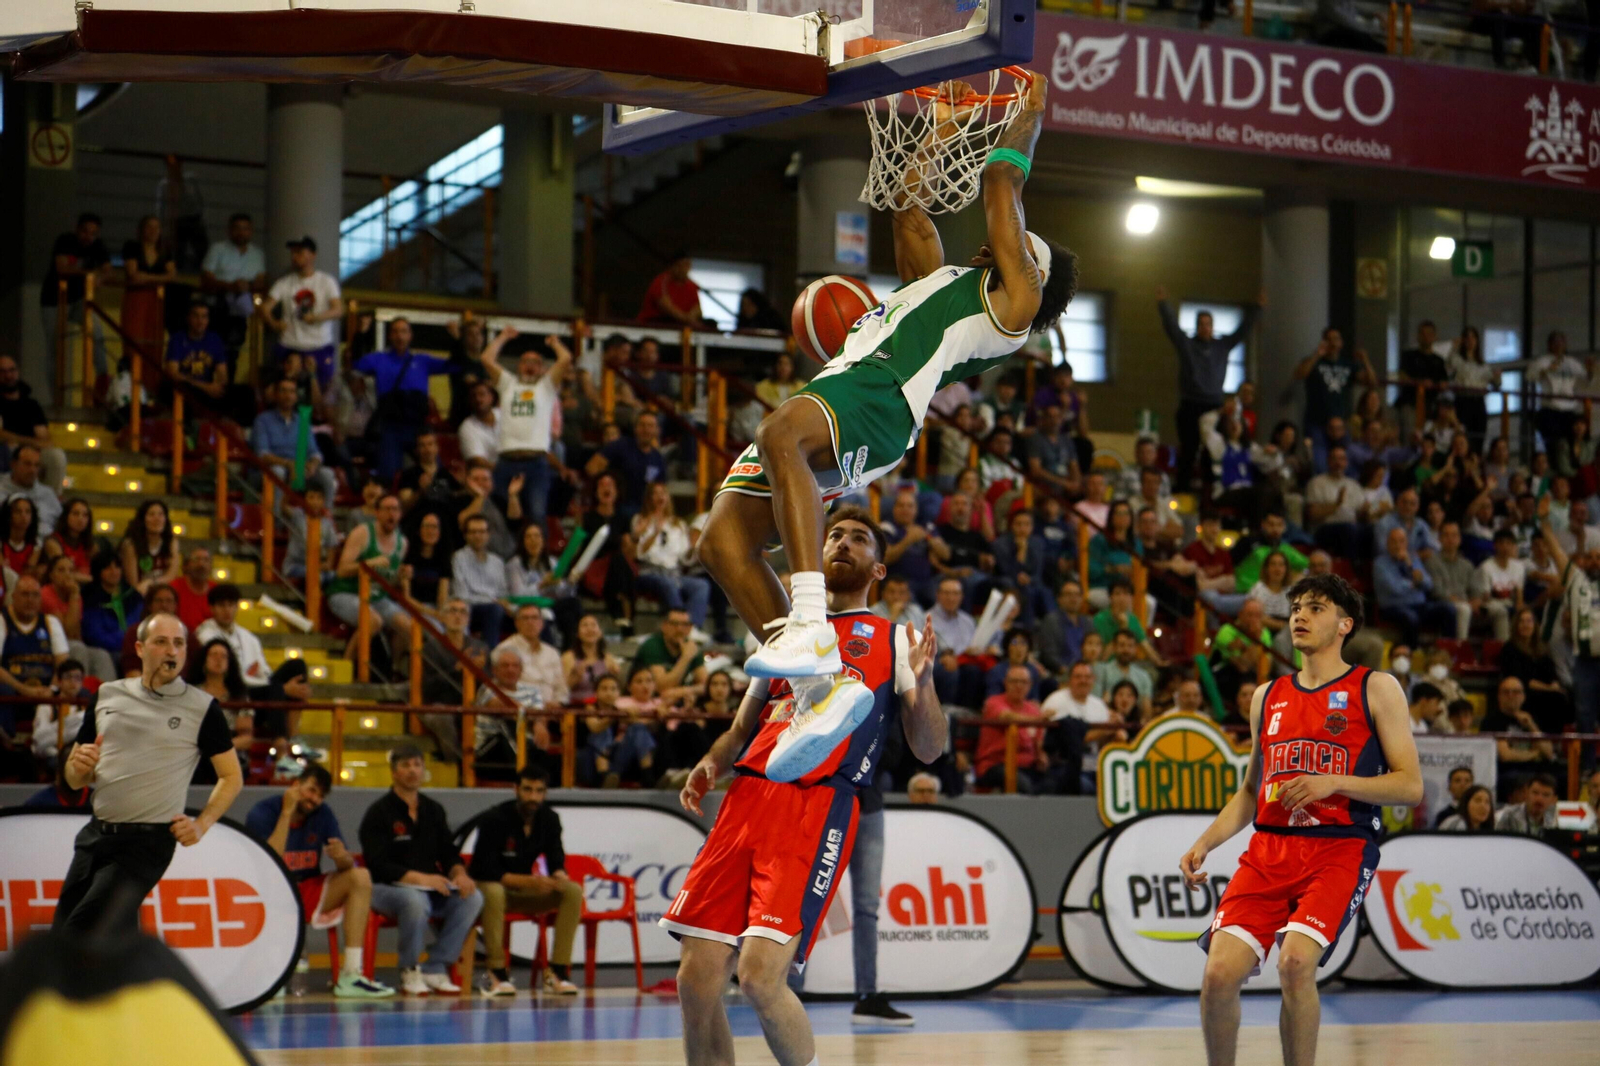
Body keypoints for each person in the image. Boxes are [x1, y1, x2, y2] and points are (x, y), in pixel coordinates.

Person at [695, 73, 1074, 783]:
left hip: (882, 397)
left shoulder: (1014, 307)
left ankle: (811, 627)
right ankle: (820, 690)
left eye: (1021, 242)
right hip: (844, 388)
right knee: (720, 542)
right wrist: (937, 133)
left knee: (778, 435)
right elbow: (909, 211)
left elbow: (1000, 183)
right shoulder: (941, 284)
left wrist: (1029, 114)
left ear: (1031, 268)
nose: (1005, 238)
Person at [669, 507, 944, 1066]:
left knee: (759, 977)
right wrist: (711, 761)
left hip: (814, 804)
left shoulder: (897, 638)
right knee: (695, 978)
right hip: (745, 798)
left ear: (879, 569)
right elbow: (741, 730)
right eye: (834, 534)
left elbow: (930, 747)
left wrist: (927, 679)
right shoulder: (785, 633)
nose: (842, 542)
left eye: (859, 539)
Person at [1181, 573, 1420, 1066]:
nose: (1299, 617)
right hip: (1270, 849)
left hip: (1340, 847)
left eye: (1315, 608)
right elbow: (1251, 792)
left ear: (1344, 624)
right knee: (1218, 976)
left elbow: (1410, 786)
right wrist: (1205, 842)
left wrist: (1334, 782)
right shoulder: (1266, 695)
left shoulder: (1375, 687)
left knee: (1294, 963)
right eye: (1295, 608)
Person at [54, 613, 241, 932]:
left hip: (146, 844)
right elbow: (74, 779)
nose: (172, 650)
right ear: (140, 649)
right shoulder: (107, 695)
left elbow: (232, 777)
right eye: (161, 642)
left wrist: (202, 824)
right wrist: (78, 768)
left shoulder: (202, 708)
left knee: (81, 931)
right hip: (95, 834)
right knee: (64, 935)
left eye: (179, 643)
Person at [244, 765, 394, 997]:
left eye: (321, 795)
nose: (315, 799)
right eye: (312, 790)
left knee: (360, 876)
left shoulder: (323, 814)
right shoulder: (262, 812)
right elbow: (269, 861)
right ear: (296, 785)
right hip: (268, 893)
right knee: (269, 884)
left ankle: (351, 974)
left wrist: (342, 857)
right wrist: (286, 813)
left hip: (307, 889)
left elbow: (347, 864)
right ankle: (271, 974)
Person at [359, 744, 484, 996]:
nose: (412, 771)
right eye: (405, 765)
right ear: (394, 772)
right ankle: (410, 969)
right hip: (385, 888)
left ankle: (435, 966)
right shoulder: (379, 812)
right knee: (414, 901)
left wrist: (459, 874)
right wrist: (420, 878)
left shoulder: (433, 810)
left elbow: (448, 853)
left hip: (429, 889)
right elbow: (377, 863)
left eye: (417, 765)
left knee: (472, 898)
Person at [469, 768, 584, 995]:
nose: (533, 797)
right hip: (488, 888)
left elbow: (556, 856)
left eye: (539, 791)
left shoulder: (549, 819)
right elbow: (482, 867)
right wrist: (528, 881)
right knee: (494, 891)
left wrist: (558, 874)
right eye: (528, 790)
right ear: (516, 789)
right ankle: (496, 972)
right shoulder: (494, 818)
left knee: (571, 890)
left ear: (545, 793)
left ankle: (558, 972)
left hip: (523, 892)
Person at [476, 327, 572, 528]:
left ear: (542, 368)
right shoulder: (508, 384)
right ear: (518, 366)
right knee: (499, 515)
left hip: (536, 462)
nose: (530, 365)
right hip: (506, 460)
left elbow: (565, 359)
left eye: (535, 362)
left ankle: (540, 550)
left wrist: (555, 343)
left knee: (537, 514)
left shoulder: (546, 387)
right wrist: (503, 337)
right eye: (526, 361)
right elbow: (486, 358)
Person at [353, 318, 454, 482]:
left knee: (436, 474)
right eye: (395, 331)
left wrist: (456, 339)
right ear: (390, 336)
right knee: (388, 476)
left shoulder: (422, 361)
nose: (399, 336)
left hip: (418, 425)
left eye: (403, 331)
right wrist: (361, 334)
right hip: (391, 427)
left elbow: (454, 365)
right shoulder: (380, 359)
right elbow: (357, 364)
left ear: (410, 335)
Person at [258, 235, 342, 388]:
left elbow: (338, 310)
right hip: (290, 344)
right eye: (293, 253)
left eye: (299, 253)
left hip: (319, 345)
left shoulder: (326, 281)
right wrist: (274, 323)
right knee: (283, 387)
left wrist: (316, 317)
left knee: (322, 388)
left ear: (313, 255)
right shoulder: (284, 282)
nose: (294, 257)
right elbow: (265, 307)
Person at [634, 482, 712, 631]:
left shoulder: (678, 524)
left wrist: (694, 549)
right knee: (667, 584)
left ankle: (693, 628)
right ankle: (679, 626)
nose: (660, 496)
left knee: (701, 585)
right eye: (655, 493)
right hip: (649, 572)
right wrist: (655, 532)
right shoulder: (641, 520)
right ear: (649, 498)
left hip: (674, 573)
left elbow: (684, 558)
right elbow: (639, 553)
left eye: (663, 493)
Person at [199, 212, 267, 355]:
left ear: (251, 231)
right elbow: (206, 278)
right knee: (213, 346)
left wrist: (248, 285)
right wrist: (231, 286)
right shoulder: (218, 249)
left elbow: (261, 280)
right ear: (229, 230)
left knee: (235, 349)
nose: (241, 233)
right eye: (237, 228)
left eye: (245, 229)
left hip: (243, 308)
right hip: (217, 305)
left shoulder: (257, 254)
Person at [194, 584, 271, 690]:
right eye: (221, 605)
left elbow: (264, 671)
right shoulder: (204, 635)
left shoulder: (249, 637)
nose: (227, 610)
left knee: (292, 667)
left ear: (236, 607)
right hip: (227, 687)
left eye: (231, 605)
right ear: (212, 608)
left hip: (255, 686)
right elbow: (227, 674)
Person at [452, 514, 511, 645]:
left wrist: (504, 603)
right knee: (494, 610)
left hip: (496, 607)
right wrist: (494, 601)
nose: (478, 536)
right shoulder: (459, 558)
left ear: (488, 535)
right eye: (473, 532)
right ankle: (490, 653)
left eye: (482, 532)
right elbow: (462, 596)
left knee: (528, 614)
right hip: (470, 608)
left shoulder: (497, 561)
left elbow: (503, 593)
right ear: (466, 535)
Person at [31, 658, 85, 768]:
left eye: (77, 678)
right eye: (68, 677)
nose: (73, 682)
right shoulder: (47, 706)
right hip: (52, 755)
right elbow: (39, 739)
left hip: (78, 756)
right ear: (59, 681)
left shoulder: (85, 707)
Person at [638, 251, 706, 326]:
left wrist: (691, 317)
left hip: (681, 322)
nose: (684, 269)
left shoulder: (691, 285)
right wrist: (686, 319)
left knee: (709, 323)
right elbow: (666, 307)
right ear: (673, 266)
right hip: (657, 321)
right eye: (681, 265)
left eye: (687, 265)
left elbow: (698, 309)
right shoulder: (662, 281)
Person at [171, 548, 216, 635]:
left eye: (206, 560)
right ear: (186, 565)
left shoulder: (216, 590)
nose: (201, 564)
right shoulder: (174, 588)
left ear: (211, 566)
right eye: (196, 560)